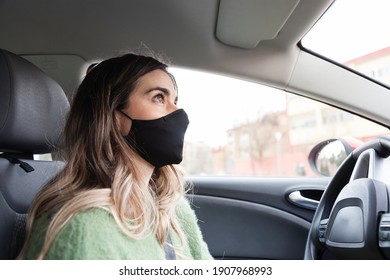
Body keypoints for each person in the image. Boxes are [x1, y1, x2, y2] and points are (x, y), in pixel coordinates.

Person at [18, 52, 213, 260]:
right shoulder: (82, 230)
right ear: (115, 119)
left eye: (175, 100)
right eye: (158, 97)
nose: (178, 112)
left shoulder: (171, 209)